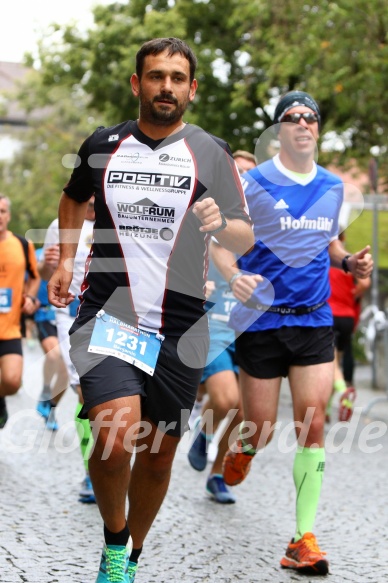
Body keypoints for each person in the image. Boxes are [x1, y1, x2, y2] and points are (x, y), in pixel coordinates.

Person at [47, 38, 253, 583]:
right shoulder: (105, 144)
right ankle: (115, 541)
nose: (167, 86)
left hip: (181, 329)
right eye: (156, 76)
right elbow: (71, 198)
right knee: (115, 440)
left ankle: (130, 555)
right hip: (109, 316)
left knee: (159, 456)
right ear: (137, 84)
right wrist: (67, 259)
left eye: (177, 78)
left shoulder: (212, 151)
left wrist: (218, 222)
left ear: (192, 89)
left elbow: (245, 233)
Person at [211, 91, 373, 576]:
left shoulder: (333, 187)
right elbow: (220, 244)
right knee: (259, 427)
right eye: (291, 117)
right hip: (261, 320)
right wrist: (233, 275)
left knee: (312, 423)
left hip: (313, 319)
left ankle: (302, 539)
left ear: (317, 130)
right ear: (279, 130)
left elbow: (324, 239)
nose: (302, 124)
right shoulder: (251, 183)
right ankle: (242, 449)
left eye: (310, 118)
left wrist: (348, 261)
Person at [188, 151, 257, 503]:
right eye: (238, 172)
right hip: (213, 322)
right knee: (227, 398)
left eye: (250, 173)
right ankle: (204, 430)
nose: (243, 178)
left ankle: (217, 476)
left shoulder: (263, 222)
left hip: (250, 329)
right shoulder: (210, 215)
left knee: (245, 412)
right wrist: (199, 283)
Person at [39, 198, 96, 502]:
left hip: (115, 315)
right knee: (86, 393)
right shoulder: (59, 224)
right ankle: (92, 472)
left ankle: (111, 464)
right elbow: (42, 270)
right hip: (70, 315)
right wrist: (47, 264)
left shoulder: (118, 215)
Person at [0, 194, 40, 428]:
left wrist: (32, 297)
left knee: (13, 382)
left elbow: (35, 278)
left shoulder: (23, 245)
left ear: (8, 215)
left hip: (11, 327)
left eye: (2, 211)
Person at [326, 231, 371, 422]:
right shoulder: (349, 260)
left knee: (331, 365)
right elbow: (365, 282)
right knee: (335, 363)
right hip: (347, 317)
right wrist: (353, 293)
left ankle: (343, 390)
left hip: (328, 315)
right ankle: (326, 409)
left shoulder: (326, 260)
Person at [35, 246, 69, 431]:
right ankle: (46, 389)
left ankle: (51, 407)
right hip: (45, 315)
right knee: (54, 355)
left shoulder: (82, 251)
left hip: (68, 316)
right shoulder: (38, 254)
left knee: (66, 371)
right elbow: (29, 281)